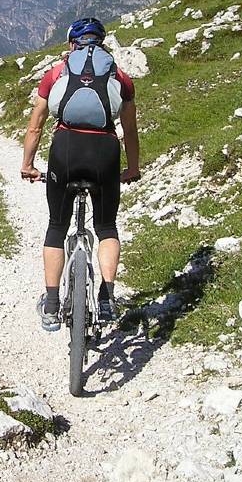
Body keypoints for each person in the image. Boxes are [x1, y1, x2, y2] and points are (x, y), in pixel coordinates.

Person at [20, 17, 140, 331]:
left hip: (66, 150)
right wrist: (133, 168)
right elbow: (130, 130)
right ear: (101, 44)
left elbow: (36, 126)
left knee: (57, 226)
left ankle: (51, 303)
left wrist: (28, 165)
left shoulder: (56, 73)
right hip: (105, 152)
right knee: (106, 226)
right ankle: (106, 296)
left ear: (72, 44)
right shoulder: (120, 77)